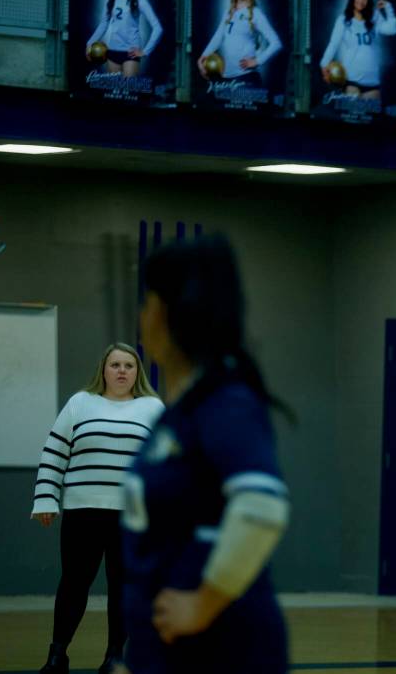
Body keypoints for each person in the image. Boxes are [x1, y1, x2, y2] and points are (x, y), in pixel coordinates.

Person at [121, 234, 291, 674]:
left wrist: (204, 602)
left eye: (147, 301)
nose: (142, 316)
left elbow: (261, 506)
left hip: (221, 650)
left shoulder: (225, 402)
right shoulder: (179, 413)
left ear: (162, 312)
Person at [31, 343, 164, 674]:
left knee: (123, 586)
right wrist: (45, 497)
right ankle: (57, 654)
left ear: (137, 373)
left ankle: (115, 655)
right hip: (83, 512)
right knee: (74, 584)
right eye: (115, 364)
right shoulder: (80, 402)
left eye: (129, 366)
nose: (121, 371)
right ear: (103, 370)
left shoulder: (152, 408)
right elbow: (54, 453)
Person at [319, 0, 396, 99]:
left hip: (372, 80)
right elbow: (333, 44)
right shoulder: (343, 20)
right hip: (352, 79)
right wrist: (324, 65)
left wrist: (388, 8)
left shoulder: (374, 16)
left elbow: (392, 30)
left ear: (368, 0)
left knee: (370, 113)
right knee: (352, 112)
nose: (361, 0)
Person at [197, 0, 283, 86]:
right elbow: (218, 37)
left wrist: (257, 61)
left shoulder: (255, 13)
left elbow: (276, 43)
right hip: (227, 78)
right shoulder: (229, 12)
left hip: (246, 77)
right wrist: (203, 57)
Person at [86, 0, 164, 78]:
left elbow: (157, 28)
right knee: (114, 90)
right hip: (113, 51)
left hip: (130, 53)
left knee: (128, 89)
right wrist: (89, 43)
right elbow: (104, 24)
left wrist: (145, 51)